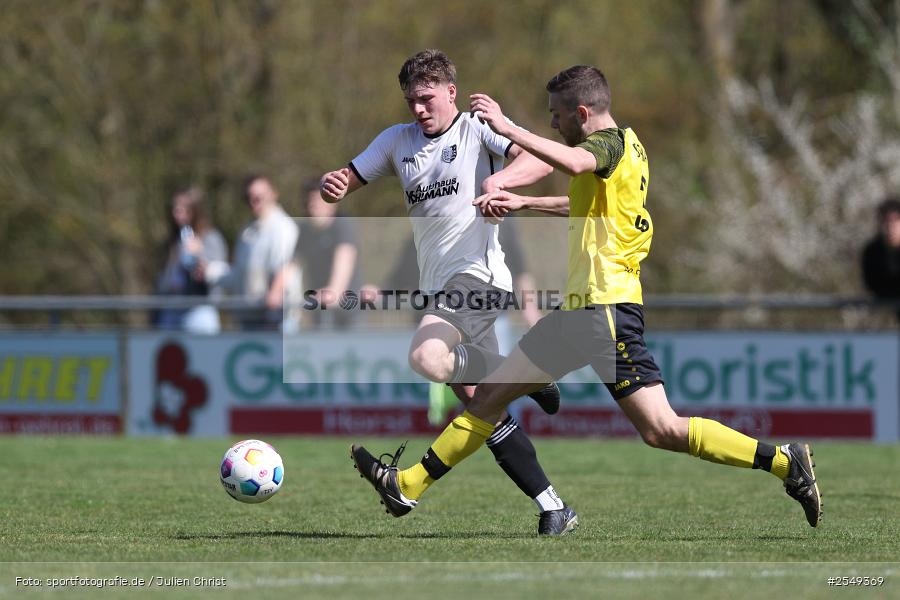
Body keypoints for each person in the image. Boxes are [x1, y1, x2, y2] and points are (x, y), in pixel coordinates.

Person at [351, 65, 823, 531]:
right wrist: (526, 203)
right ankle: (407, 486)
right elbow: (578, 203)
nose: (553, 124)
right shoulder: (628, 149)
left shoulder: (606, 146)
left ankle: (783, 462)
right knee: (488, 401)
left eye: (557, 115)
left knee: (661, 430)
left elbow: (573, 162)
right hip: (579, 310)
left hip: (606, 311)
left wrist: (507, 126)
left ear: (582, 112)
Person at [321, 49, 576, 534]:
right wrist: (335, 185)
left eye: (427, 97)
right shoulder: (398, 141)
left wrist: (500, 179)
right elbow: (349, 177)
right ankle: (552, 506)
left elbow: (538, 162)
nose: (418, 108)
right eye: (411, 100)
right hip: (439, 287)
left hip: (478, 279)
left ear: (451, 92)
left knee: (426, 358)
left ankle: (529, 375)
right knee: (484, 408)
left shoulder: (476, 129)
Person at [205, 175, 299, 330]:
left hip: (277, 317)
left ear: (273, 194)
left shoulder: (284, 227)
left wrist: (275, 292)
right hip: (251, 316)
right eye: (250, 197)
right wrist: (209, 271)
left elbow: (287, 265)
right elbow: (240, 274)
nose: (255, 202)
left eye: (260, 196)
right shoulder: (247, 231)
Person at [153, 186, 227, 334]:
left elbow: (220, 275)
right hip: (172, 309)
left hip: (199, 310)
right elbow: (163, 280)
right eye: (175, 209)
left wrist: (200, 253)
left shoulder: (210, 238)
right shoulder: (171, 242)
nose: (177, 215)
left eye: (183, 210)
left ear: (195, 211)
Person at [294, 178, 361, 329]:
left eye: (319, 200)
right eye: (310, 201)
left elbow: (344, 259)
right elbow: (292, 266)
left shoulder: (343, 225)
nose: (314, 205)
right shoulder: (304, 231)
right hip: (319, 312)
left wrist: (334, 290)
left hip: (349, 314)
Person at [862, 198, 900, 318]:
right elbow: (872, 283)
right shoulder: (872, 252)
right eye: (886, 221)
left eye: (895, 221)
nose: (890, 226)